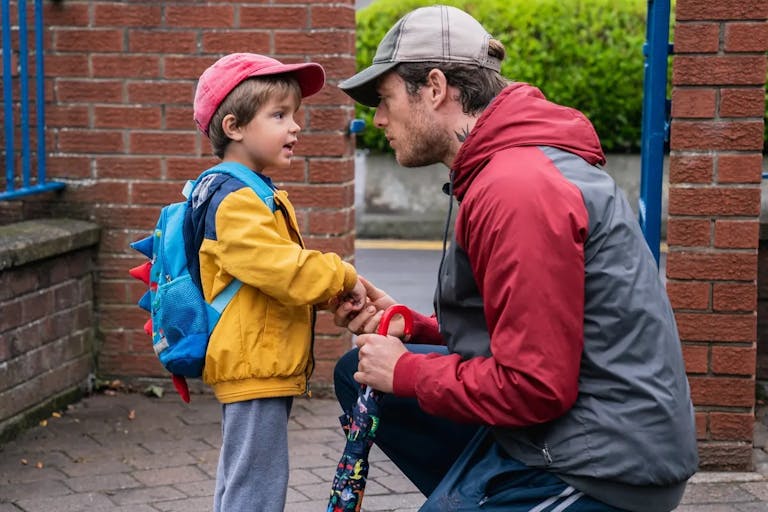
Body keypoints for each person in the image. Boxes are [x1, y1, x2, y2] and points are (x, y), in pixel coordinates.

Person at [332, 5, 698, 512]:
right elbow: (533, 328)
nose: (378, 119)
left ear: (435, 88)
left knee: (395, 381)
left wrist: (409, 373)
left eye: (386, 98)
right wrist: (418, 329)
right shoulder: (504, 167)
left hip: (602, 461)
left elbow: (536, 385)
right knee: (358, 371)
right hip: (570, 423)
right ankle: (476, 492)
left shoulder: (517, 188)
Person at [190, 53, 365, 512]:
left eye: (296, 116)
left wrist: (331, 298)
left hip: (256, 361)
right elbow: (284, 270)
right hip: (255, 365)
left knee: (242, 476)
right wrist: (343, 274)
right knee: (257, 486)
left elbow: (268, 279)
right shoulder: (237, 200)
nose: (295, 127)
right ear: (234, 127)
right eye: (279, 115)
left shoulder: (239, 190)